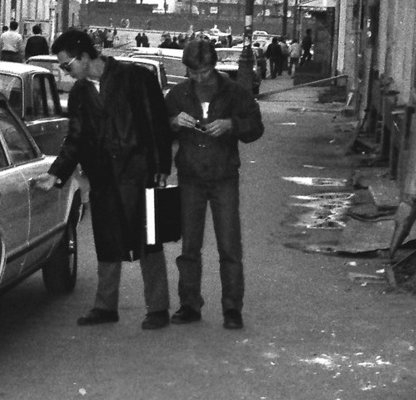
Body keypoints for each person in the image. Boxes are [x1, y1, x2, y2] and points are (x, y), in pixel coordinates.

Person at [34, 29, 174, 330]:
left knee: (149, 241)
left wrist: (162, 166)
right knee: (107, 242)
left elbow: (157, 123)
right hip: (104, 179)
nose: (64, 71)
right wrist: (55, 173)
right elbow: (75, 138)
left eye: (66, 64)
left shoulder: (136, 78)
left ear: (84, 57)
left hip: (140, 174)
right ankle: (105, 306)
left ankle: (158, 308)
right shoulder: (81, 93)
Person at [164, 40, 263, 330]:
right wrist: (173, 121)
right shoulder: (178, 94)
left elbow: (256, 127)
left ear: (214, 66)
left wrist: (232, 125)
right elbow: (158, 128)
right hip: (190, 176)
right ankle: (189, 304)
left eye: (204, 72)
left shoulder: (234, 92)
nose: (199, 78)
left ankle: (232, 308)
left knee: (229, 246)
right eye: (193, 73)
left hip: (224, 177)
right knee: (189, 247)